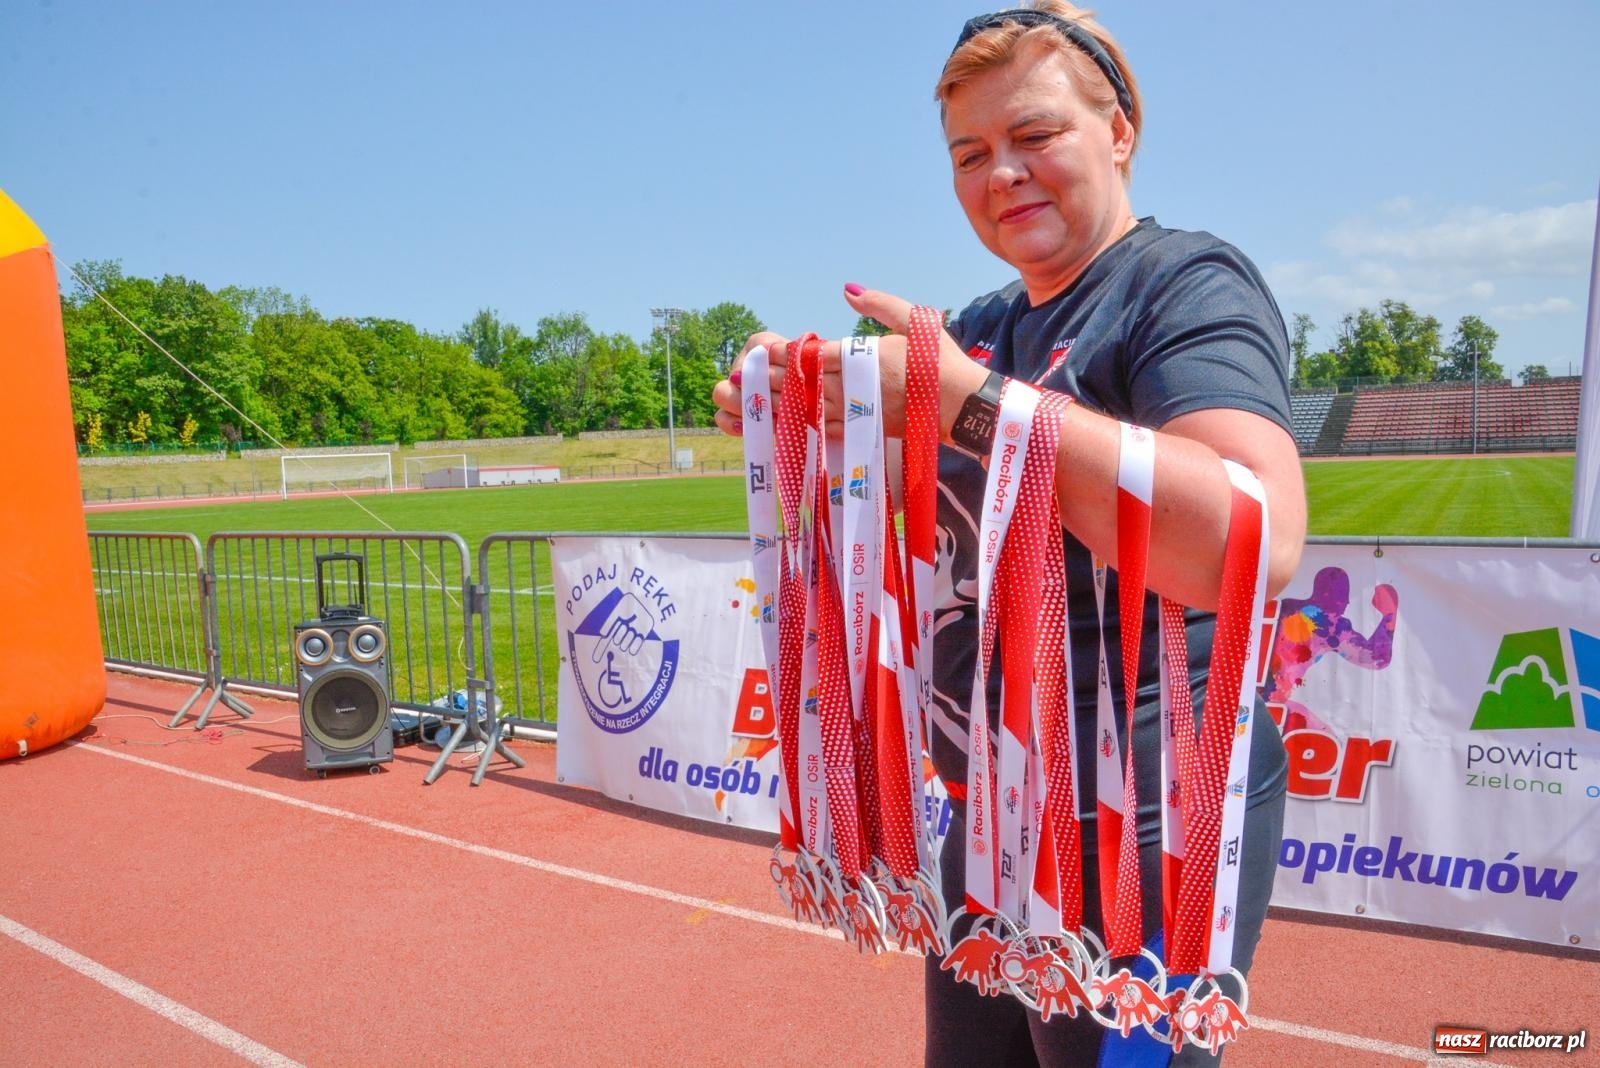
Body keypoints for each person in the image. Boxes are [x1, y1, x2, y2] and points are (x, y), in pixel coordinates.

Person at [712, 4, 1307, 1064]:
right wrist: (805, 407)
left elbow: (1248, 544)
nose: (1003, 174)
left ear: (1118, 132)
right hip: (995, 809)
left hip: (1145, 821)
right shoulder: (981, 325)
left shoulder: (1181, 285)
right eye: (970, 153)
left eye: (1035, 135)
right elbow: (919, 469)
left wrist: (969, 404)